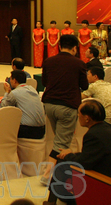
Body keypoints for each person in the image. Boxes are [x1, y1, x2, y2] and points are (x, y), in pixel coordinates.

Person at [41, 34, 88, 181]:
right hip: (67, 105)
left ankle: (63, 172)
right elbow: (85, 85)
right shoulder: (79, 63)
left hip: (49, 104)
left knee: (60, 140)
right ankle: (47, 175)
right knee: (61, 142)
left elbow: (44, 82)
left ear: (59, 46)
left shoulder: (48, 61)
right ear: (75, 48)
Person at [45, 100, 111, 205]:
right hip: (103, 167)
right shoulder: (106, 128)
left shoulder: (93, 135)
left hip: (102, 178)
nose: (77, 116)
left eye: (79, 114)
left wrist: (68, 155)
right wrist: (72, 154)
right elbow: (92, 155)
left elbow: (84, 163)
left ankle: (58, 201)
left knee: (62, 164)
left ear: (87, 118)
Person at [1, 71, 46, 138]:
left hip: (28, 130)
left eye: (10, 79)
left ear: (14, 80)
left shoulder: (15, 93)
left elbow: (4, 106)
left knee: (4, 124)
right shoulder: (32, 89)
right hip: (42, 130)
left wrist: (6, 92)